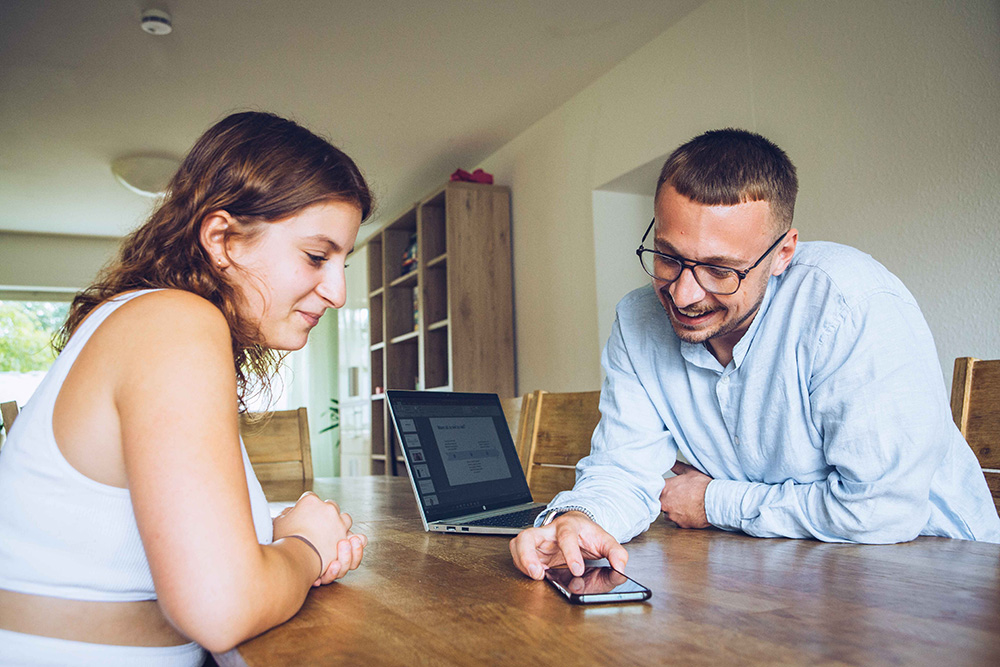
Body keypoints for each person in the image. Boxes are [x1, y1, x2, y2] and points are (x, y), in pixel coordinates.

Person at [510, 128, 1000, 580]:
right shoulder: (636, 322)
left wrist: (714, 501)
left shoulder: (852, 305)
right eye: (667, 257)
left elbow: (881, 511)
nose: (682, 295)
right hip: (776, 572)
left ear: (784, 252)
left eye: (720, 271)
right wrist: (579, 519)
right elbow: (623, 469)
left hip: (942, 570)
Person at [0, 111, 373, 665]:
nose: (338, 291)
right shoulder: (175, 321)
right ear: (223, 239)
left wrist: (269, 536)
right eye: (316, 256)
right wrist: (306, 550)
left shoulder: (148, 318)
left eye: (344, 260)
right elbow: (219, 606)